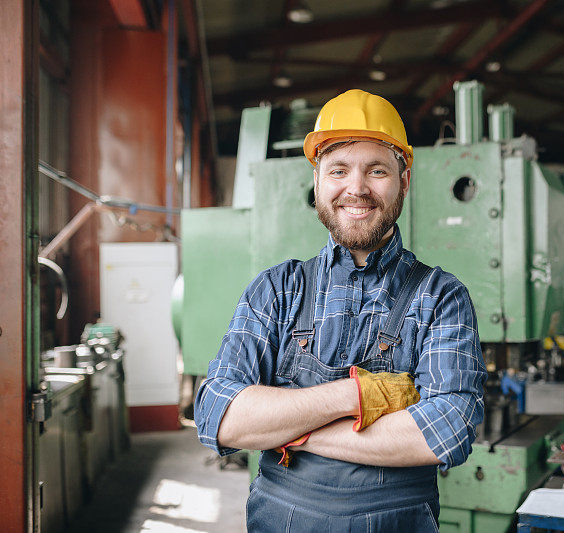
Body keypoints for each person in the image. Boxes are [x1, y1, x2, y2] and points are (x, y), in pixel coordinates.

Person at [195, 89, 486, 532]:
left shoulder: (440, 296)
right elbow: (220, 416)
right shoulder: (277, 290)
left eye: (376, 170)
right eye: (339, 170)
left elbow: (449, 430)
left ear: (403, 181)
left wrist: (291, 429)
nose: (356, 188)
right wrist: (357, 396)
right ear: (318, 182)